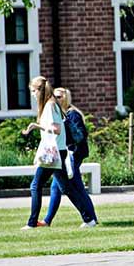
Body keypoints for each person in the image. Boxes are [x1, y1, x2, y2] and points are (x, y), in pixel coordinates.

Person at [21, 76, 78, 230]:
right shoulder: (51, 105)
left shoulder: (50, 106)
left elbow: (57, 130)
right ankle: (89, 218)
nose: (32, 95)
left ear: (40, 91)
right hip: (57, 151)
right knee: (66, 188)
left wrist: (36, 126)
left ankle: (32, 223)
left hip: (54, 152)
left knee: (35, 185)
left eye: (33, 91)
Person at [43, 88, 98, 228]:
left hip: (73, 154)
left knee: (75, 186)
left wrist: (71, 151)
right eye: (54, 97)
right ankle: (47, 220)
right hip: (65, 154)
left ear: (66, 98)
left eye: (59, 96)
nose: (56, 99)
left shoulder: (72, 114)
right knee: (56, 186)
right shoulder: (59, 114)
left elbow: (80, 136)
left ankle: (90, 219)